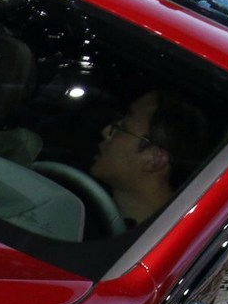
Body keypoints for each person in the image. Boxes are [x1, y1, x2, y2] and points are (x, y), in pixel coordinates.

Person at [89, 90, 213, 225]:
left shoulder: (170, 234)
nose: (106, 132)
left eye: (122, 128)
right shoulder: (93, 219)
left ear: (155, 159)